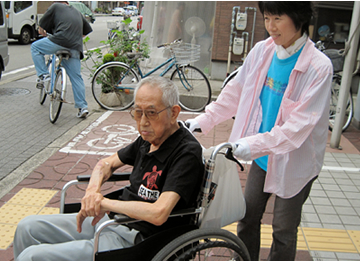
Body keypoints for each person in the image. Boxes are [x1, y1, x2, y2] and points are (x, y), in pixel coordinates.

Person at [186, 2, 333, 260]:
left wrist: (249, 145)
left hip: (296, 161)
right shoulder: (262, 52)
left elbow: (296, 128)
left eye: (277, 18)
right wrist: (203, 121)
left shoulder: (319, 67)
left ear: (298, 18)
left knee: (283, 229)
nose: (270, 26)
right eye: (266, 18)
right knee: (248, 217)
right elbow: (235, 91)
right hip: (264, 157)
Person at [13, 76, 204, 261]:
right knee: (26, 227)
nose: (143, 122)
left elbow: (159, 213)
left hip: (137, 239)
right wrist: (92, 193)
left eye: (151, 113)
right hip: (110, 220)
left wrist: (104, 204)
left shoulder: (186, 153)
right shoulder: (147, 140)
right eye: (138, 112)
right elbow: (105, 164)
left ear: (174, 113)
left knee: (31, 257)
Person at [31, 1, 92, 118]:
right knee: (76, 77)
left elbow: (41, 27)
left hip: (59, 40)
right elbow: (86, 31)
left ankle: (44, 75)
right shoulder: (77, 12)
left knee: (35, 47)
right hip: (75, 46)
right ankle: (82, 107)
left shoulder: (55, 6)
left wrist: (42, 30)